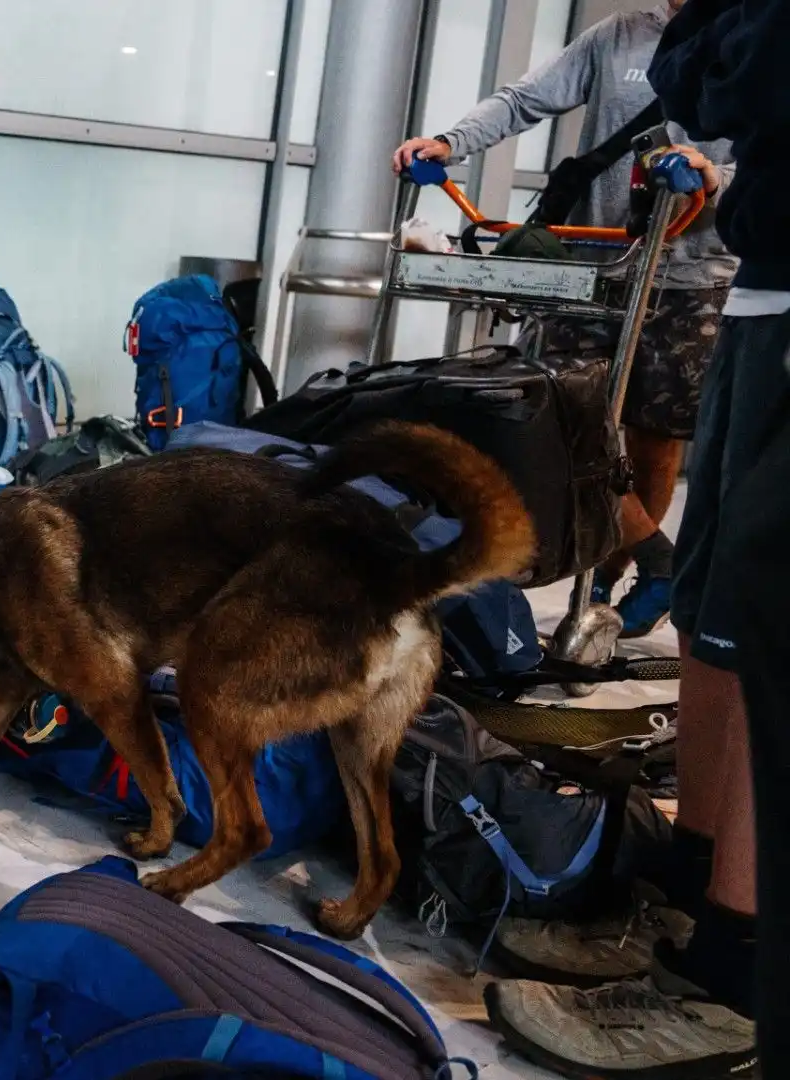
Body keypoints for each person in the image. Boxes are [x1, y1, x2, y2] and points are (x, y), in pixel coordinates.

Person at [480, 0, 787, 1075]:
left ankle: (736, 980)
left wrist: (714, 55)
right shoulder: (623, 34)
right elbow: (708, 77)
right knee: (713, 615)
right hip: (765, 285)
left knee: (764, 625)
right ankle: (694, 899)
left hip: (738, 283)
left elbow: (736, 85)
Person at [391, 0, 733, 639]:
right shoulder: (620, 36)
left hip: (693, 274)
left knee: (653, 445)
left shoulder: (755, 37)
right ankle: (658, 559)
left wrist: (716, 178)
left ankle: (607, 580)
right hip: (593, 266)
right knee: (557, 420)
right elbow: (524, 99)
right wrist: (449, 141)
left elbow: (773, 163)